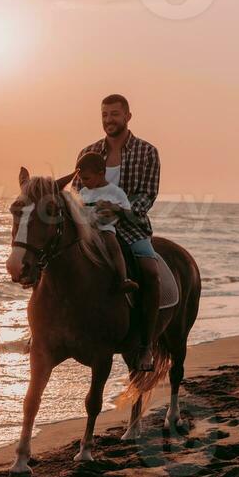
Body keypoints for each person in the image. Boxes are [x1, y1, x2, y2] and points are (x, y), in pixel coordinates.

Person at [75, 94, 163, 369]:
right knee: (56, 260)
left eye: (114, 114)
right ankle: (44, 332)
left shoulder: (147, 152)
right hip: (91, 226)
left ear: (127, 117)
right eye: (104, 115)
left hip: (130, 227)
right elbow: (77, 191)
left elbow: (147, 195)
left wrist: (118, 211)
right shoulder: (88, 151)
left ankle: (146, 345)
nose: (109, 120)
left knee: (150, 271)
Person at [74, 152, 140, 294]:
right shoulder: (84, 192)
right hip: (86, 228)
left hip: (104, 227)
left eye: (86, 178)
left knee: (113, 246)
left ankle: (123, 279)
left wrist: (113, 208)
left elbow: (128, 212)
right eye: (81, 179)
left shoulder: (115, 192)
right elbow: (78, 209)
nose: (83, 182)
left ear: (101, 173)